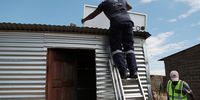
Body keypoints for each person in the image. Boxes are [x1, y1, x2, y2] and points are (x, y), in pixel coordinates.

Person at [81, 0, 137, 79]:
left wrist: (84, 19)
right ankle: (133, 71)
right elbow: (130, 7)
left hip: (116, 22)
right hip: (129, 22)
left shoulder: (104, 3)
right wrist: (121, 7)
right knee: (129, 48)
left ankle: (123, 72)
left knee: (116, 48)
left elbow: (93, 15)